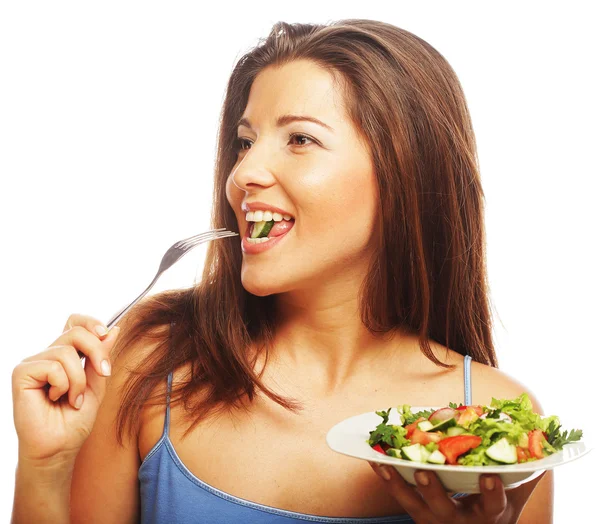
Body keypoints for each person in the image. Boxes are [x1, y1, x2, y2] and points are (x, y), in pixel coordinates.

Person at [11, 19, 553, 523]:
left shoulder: (494, 424)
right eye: (245, 142)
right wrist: (45, 466)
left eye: (300, 139)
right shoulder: (155, 358)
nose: (242, 173)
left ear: (404, 172)